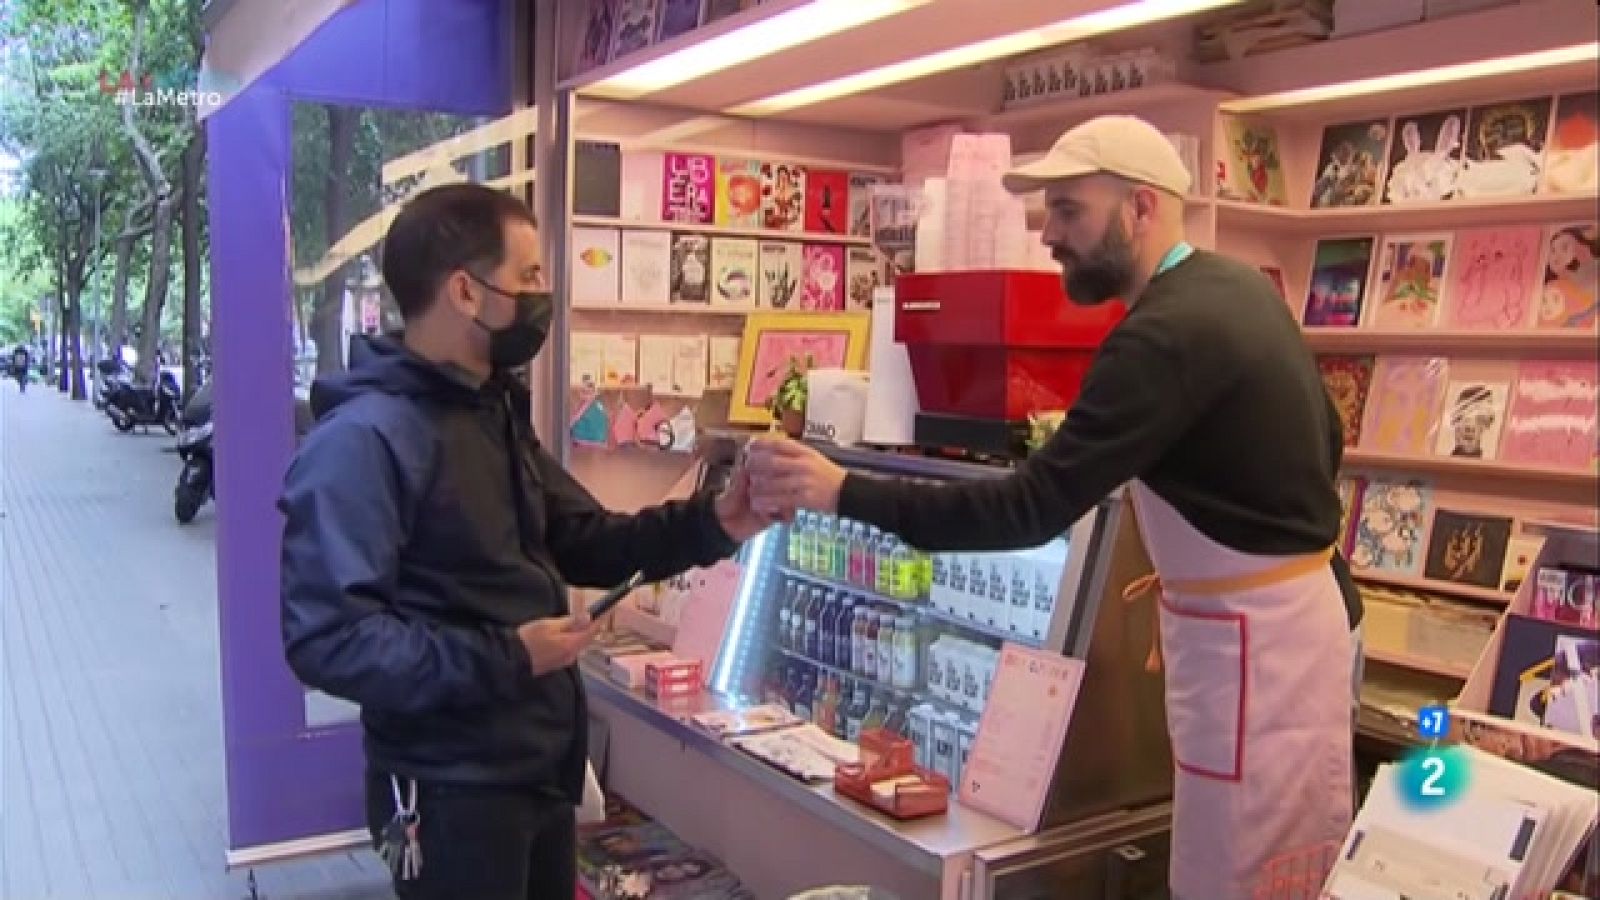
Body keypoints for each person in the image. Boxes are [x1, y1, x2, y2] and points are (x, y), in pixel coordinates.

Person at [745, 115, 1364, 900]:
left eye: (1069, 211)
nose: (1048, 236)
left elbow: (1029, 510)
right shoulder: (1240, 290)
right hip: (1301, 629)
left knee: (1240, 877)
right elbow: (1328, 436)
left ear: (1142, 207)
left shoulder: (1161, 336)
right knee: (1291, 865)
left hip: (1254, 661)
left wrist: (842, 490)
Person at [278, 183, 768, 900]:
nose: (545, 294)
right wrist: (511, 656)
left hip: (537, 774)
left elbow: (587, 539)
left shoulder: (493, 413)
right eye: (530, 274)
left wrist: (718, 521)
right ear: (465, 292)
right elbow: (330, 640)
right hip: (448, 793)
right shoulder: (361, 442)